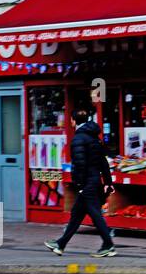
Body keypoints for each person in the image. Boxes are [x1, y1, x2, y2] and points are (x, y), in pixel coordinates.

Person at [45, 110, 117, 258]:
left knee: (96, 215)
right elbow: (103, 161)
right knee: (76, 215)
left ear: (73, 121)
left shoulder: (78, 138)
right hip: (94, 180)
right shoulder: (94, 137)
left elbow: (79, 164)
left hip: (87, 183)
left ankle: (108, 245)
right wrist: (108, 182)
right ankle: (61, 244)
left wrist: (79, 185)